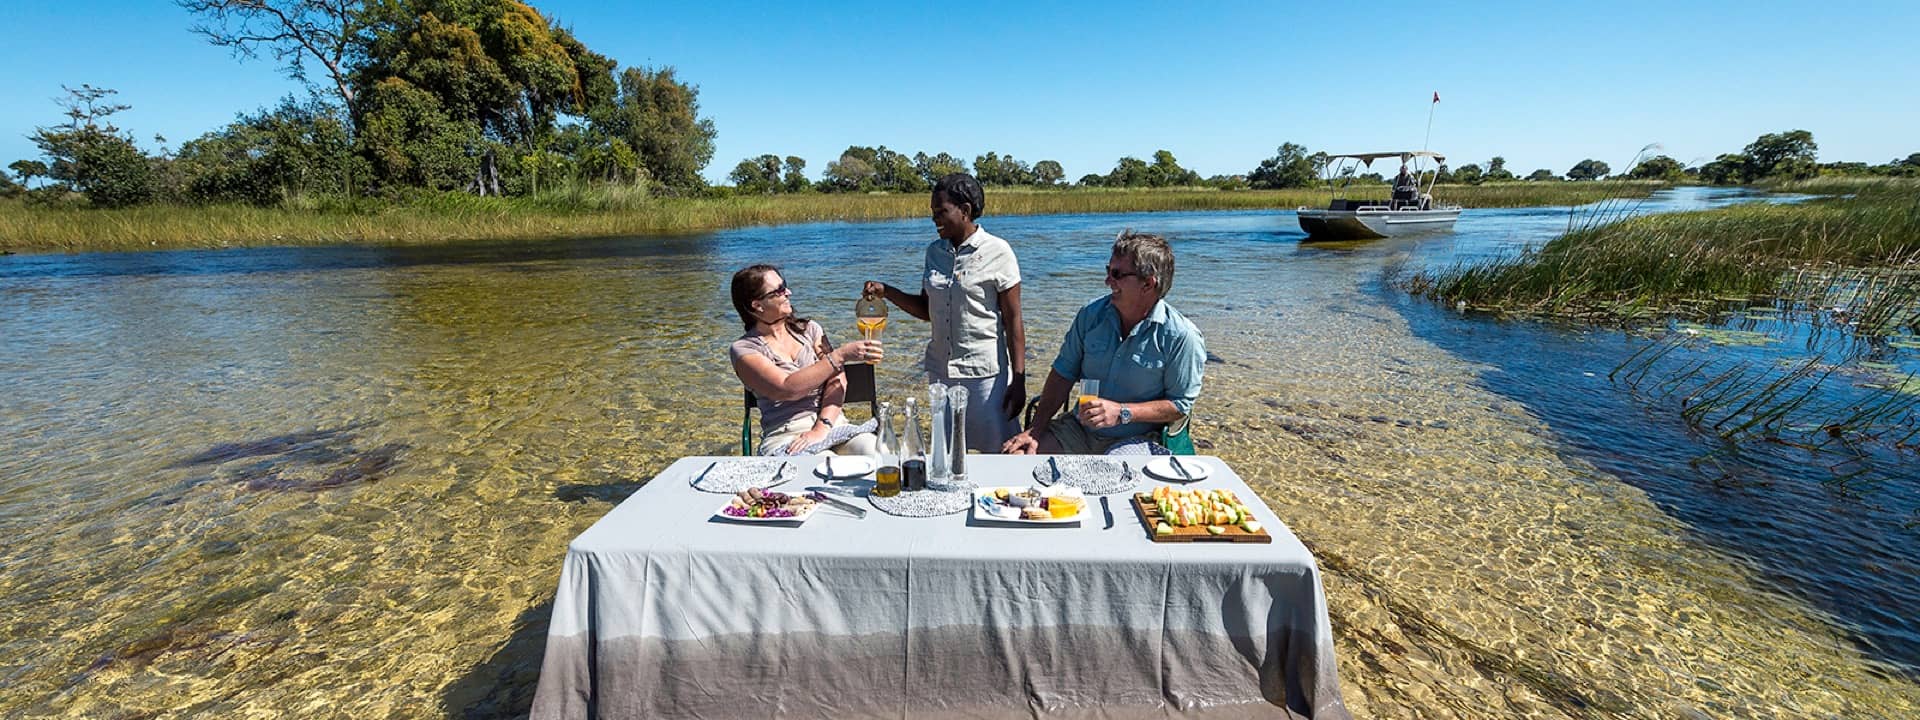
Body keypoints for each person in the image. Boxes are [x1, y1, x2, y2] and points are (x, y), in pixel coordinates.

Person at [864, 173, 1027, 452]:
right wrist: (887, 291)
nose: (934, 218)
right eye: (933, 212)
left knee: (998, 452)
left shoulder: (998, 252)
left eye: (941, 211)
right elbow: (927, 311)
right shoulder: (934, 253)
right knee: (949, 454)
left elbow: (1013, 321)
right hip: (941, 372)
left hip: (984, 374)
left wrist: (1019, 379)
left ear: (965, 211)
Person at [1003, 231, 1204, 456]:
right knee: (1018, 457)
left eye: (1117, 274)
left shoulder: (1182, 336)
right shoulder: (1090, 316)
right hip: (1080, 431)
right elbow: (1062, 375)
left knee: (1111, 473)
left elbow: (1179, 405)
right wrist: (1035, 431)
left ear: (1148, 284)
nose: (1108, 281)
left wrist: (1122, 412)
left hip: (1139, 438)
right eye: (1108, 271)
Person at [729, 264, 884, 455]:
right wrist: (840, 355)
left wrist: (821, 427)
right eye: (779, 290)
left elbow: (837, 379)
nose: (788, 292)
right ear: (757, 305)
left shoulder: (810, 330)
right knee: (823, 465)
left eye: (784, 285)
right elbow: (787, 388)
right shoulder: (744, 349)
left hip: (832, 424)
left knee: (878, 451)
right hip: (787, 435)